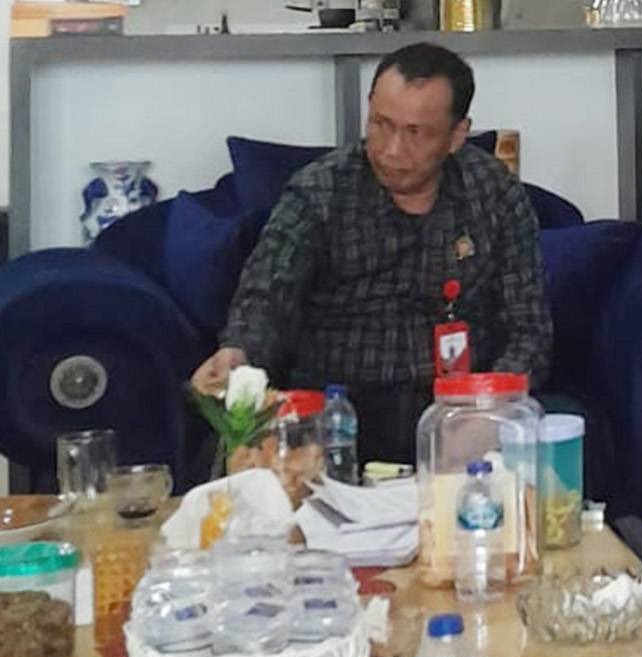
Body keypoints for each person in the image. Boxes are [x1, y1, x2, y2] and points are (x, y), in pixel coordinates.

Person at [190, 42, 552, 463]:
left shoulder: (493, 192)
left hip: (456, 406)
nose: (392, 149)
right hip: (339, 409)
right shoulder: (321, 191)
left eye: (415, 133)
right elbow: (267, 295)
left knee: (537, 442)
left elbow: (529, 327)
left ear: (457, 135)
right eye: (381, 124)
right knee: (226, 453)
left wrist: (488, 407)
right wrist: (238, 353)